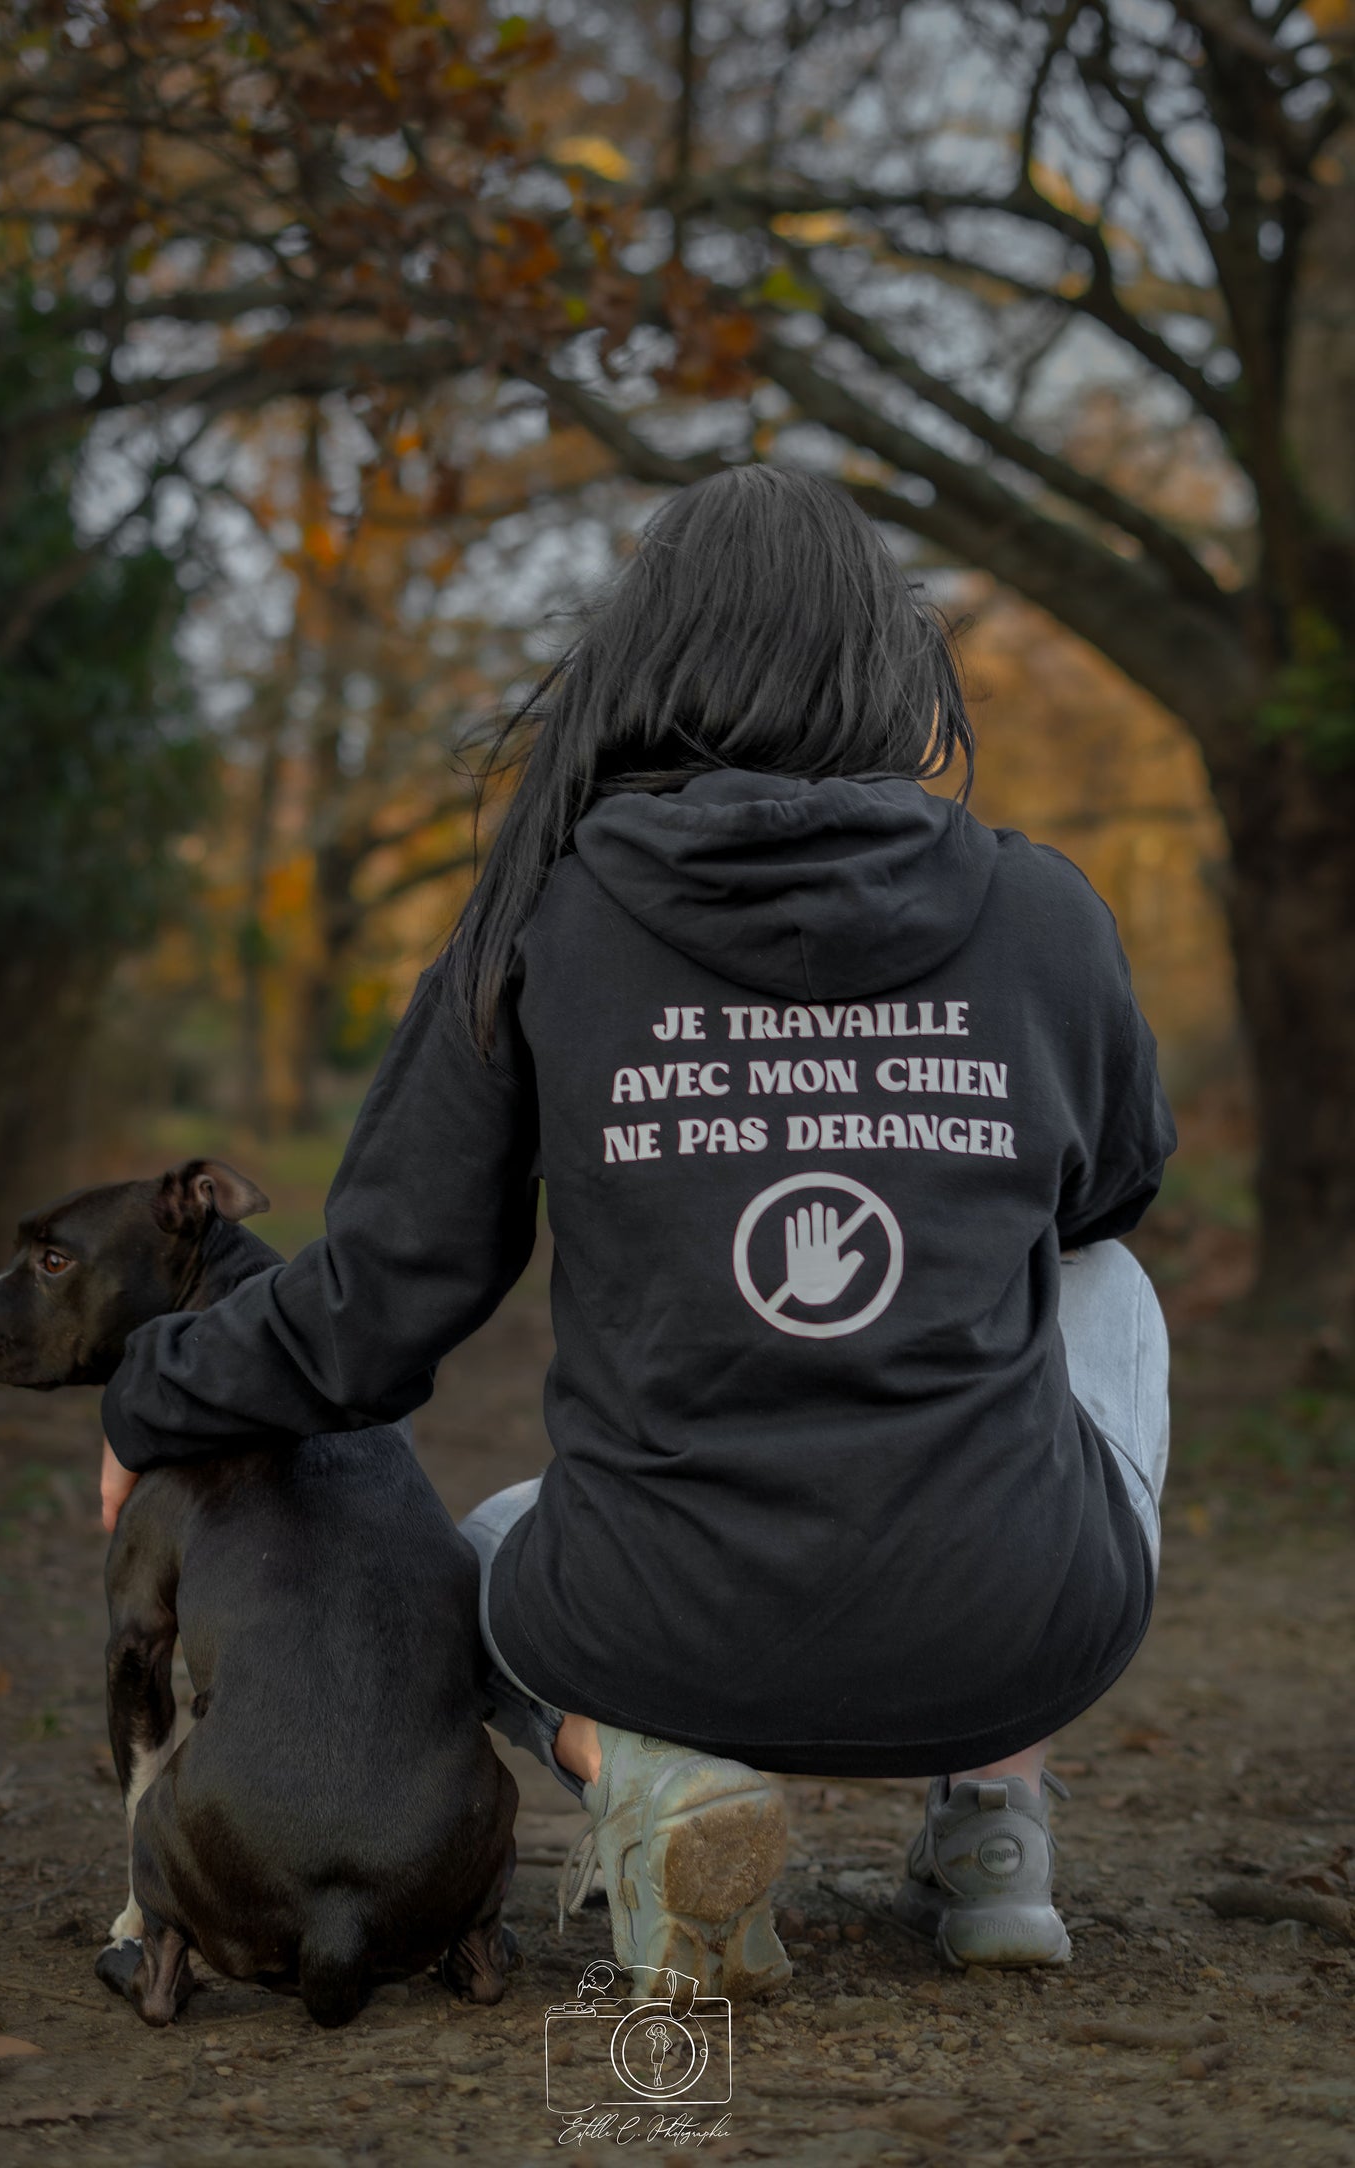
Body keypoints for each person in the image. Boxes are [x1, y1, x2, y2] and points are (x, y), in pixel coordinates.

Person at [101, 466, 1173, 1999]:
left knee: (480, 1554)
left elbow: (381, 1306)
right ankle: (996, 1818)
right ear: (888, 665)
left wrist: (150, 1391)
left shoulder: (542, 918)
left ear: (640, 665)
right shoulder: (1045, 915)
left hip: (648, 1629)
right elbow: (1108, 1198)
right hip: (1020, 1626)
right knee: (1104, 1283)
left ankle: (644, 1776)